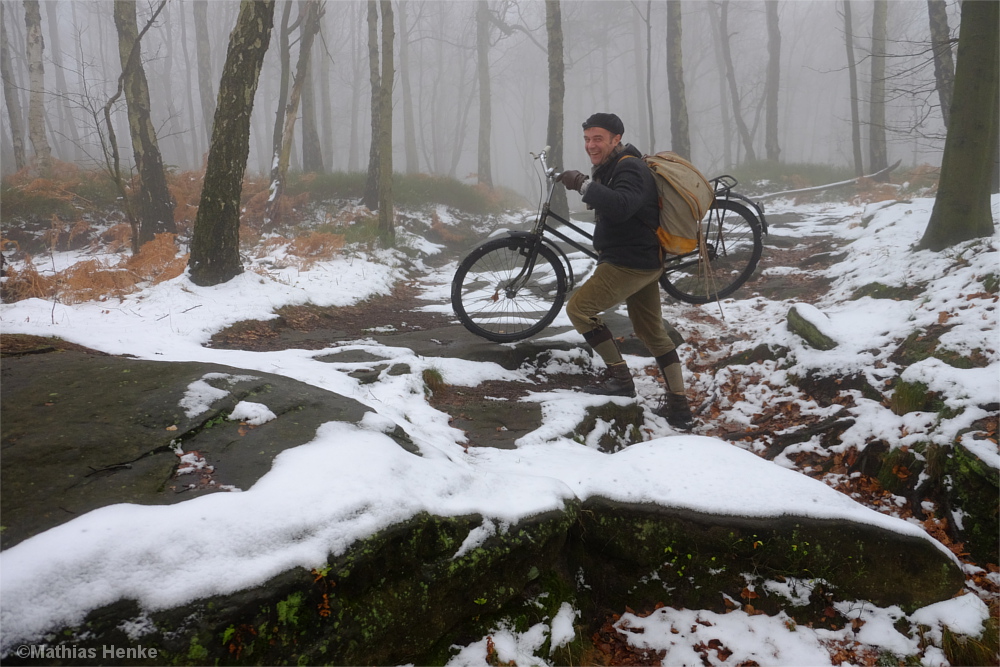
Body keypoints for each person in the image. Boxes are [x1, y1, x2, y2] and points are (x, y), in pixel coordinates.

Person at [556, 112, 693, 429]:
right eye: (588, 139)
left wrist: (582, 184)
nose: (591, 145)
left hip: (630, 261)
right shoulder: (610, 166)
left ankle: (620, 378)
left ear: (616, 139)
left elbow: (622, 205)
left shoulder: (629, 165)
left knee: (579, 309)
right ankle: (680, 408)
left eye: (598, 138)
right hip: (642, 259)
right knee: (651, 332)